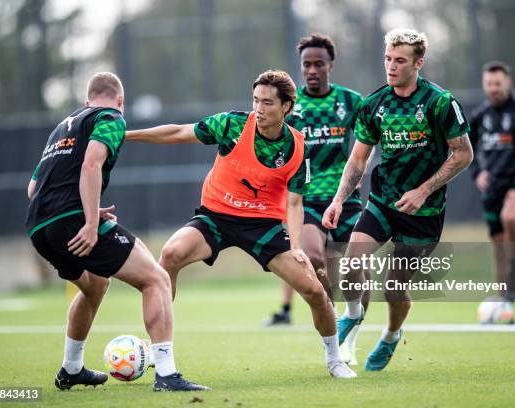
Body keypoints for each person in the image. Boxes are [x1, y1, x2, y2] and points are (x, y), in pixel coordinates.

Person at [127, 70, 356, 379]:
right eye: (255, 101)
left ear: (287, 106)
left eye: (268, 103)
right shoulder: (232, 124)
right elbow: (179, 132)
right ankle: (160, 351)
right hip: (216, 217)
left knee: (314, 290)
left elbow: (294, 203)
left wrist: (296, 246)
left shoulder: (297, 147)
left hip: (263, 225)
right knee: (170, 255)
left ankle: (335, 360)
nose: (259, 109)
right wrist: (127, 135)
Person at [26, 72, 207, 392]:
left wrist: (88, 208)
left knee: (95, 285)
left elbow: (33, 189)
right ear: (120, 101)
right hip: (71, 221)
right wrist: (91, 223)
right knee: (156, 278)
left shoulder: (61, 128)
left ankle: (71, 368)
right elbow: (91, 165)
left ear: (86, 102)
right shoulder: (109, 117)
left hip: (40, 227)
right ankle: (166, 374)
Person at [322, 29, 473, 371]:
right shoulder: (374, 104)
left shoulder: (439, 102)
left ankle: (391, 335)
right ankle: (354, 315)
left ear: (419, 63)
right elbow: (358, 159)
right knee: (351, 263)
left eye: (400, 60)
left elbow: (463, 154)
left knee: (394, 288)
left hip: (425, 212)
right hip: (383, 202)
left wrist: (423, 190)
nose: (391, 66)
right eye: (387, 59)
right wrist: (338, 201)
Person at [264, 33, 366, 365]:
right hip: (306, 200)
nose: (312, 70)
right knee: (312, 257)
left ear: (330, 66)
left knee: (353, 266)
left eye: (318, 64)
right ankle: (337, 328)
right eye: (306, 64)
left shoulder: (351, 102)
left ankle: (354, 323)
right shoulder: (292, 109)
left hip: (345, 199)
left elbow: (369, 142)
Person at [469, 61, 515, 305]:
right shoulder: (480, 115)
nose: (493, 89)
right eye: (489, 84)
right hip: (491, 187)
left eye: (497, 84)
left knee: (509, 218)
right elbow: (464, 149)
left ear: (507, 83)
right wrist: (477, 172)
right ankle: (504, 295)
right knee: (497, 242)